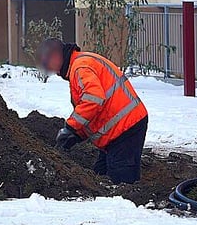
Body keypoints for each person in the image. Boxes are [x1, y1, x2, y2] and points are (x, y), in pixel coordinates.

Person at [37, 38, 149, 184]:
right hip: (117, 131)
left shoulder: (80, 67)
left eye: (48, 64)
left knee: (121, 179)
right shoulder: (79, 65)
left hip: (125, 128)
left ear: (56, 56)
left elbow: (93, 99)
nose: (52, 71)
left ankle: (132, 203)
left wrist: (70, 128)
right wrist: (76, 135)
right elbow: (92, 111)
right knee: (99, 177)